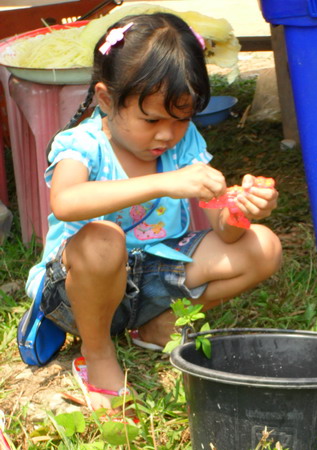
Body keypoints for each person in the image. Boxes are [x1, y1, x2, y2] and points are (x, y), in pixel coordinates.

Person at [25, 11, 282, 415]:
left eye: (182, 119)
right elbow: (66, 201)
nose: (167, 133)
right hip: (78, 294)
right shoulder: (82, 144)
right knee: (104, 240)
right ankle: (98, 352)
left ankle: (158, 324)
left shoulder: (183, 141)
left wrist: (240, 210)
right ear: (106, 99)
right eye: (151, 119)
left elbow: (226, 232)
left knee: (263, 246)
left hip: (152, 277)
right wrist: (164, 183)